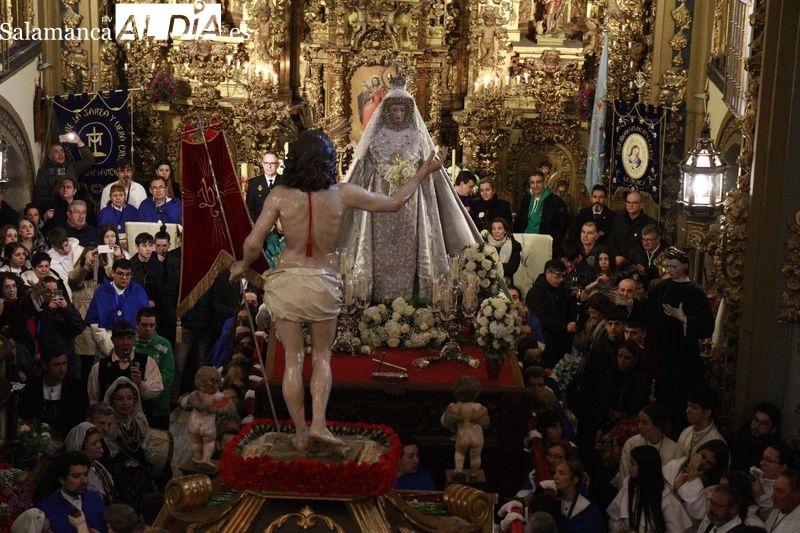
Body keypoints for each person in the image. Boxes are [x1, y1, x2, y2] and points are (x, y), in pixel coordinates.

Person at [230, 126, 449, 449]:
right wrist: (425, 169)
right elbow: (393, 202)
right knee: (321, 356)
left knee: (292, 359)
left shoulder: (279, 196)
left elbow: (252, 242)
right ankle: (319, 423)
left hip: (288, 282)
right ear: (328, 161)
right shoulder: (342, 194)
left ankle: (300, 432)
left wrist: (242, 266)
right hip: (322, 282)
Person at [336, 75, 479, 302]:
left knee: (412, 248)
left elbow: (429, 169)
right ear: (387, 111)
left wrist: (429, 168)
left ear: (408, 112)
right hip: (379, 199)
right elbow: (363, 170)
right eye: (395, 110)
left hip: (412, 201)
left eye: (403, 111)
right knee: (377, 249)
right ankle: (373, 295)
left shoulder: (417, 137)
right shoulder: (375, 137)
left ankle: (413, 294)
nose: (399, 115)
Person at [645, 247, 714, 431]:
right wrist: (631, 304)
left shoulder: (695, 291)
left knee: (679, 399)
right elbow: (648, 306)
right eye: (668, 266)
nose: (670, 270)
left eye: (674, 266)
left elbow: (707, 325)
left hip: (683, 357)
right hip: (662, 352)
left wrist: (683, 319)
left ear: (684, 265)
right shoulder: (664, 286)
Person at [607, 445, 692, 533]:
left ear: (645, 468)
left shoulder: (666, 499)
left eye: (633, 464)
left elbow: (679, 530)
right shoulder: (628, 486)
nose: (628, 466)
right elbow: (614, 518)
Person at [103, 377, 156, 508]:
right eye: (120, 399)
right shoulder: (110, 424)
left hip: (141, 470)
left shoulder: (140, 420)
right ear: (113, 401)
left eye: (129, 398)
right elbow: (111, 452)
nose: (125, 403)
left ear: (135, 400)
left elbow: (147, 447)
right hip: (118, 473)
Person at [18, 344, 88, 440]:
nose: (62, 369)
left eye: (64, 363)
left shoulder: (76, 388)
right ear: (44, 366)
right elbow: (26, 416)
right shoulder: (31, 387)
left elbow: (80, 418)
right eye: (56, 364)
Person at [87, 320, 164, 405]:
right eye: (120, 339)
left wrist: (140, 383)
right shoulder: (99, 367)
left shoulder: (147, 362)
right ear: (113, 340)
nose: (125, 343)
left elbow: (157, 390)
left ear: (134, 339)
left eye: (129, 338)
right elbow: (93, 399)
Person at [84, 259, 150, 356]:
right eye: (120, 273)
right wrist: (111, 349)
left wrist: (132, 346)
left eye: (128, 274)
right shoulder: (102, 292)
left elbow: (145, 322)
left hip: (133, 343)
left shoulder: (138, 292)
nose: (124, 277)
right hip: (106, 342)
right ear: (113, 273)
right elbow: (95, 324)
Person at [179, 366, 237, 472]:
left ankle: (197, 458)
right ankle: (206, 459)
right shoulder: (219, 397)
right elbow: (230, 410)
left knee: (195, 441)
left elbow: (183, 403)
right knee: (209, 442)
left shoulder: (195, 394)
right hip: (208, 424)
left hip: (194, 422)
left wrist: (185, 401)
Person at [37, 451, 108, 533]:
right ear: (62, 480)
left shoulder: (96, 498)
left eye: (85, 474)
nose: (84, 481)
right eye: (77, 476)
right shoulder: (47, 508)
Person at [525, 260, 577, 368]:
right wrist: (564, 327)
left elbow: (569, 311)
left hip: (563, 341)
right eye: (558, 276)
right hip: (545, 341)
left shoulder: (563, 290)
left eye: (563, 276)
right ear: (548, 272)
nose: (561, 279)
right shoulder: (535, 293)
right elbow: (541, 319)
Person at [663, 439, 729, 520]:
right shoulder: (678, 463)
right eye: (703, 456)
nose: (702, 462)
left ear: (714, 468)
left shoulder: (713, 488)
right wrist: (673, 488)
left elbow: (697, 513)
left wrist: (694, 483)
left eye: (708, 463)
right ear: (699, 451)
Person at [617, 404, 678, 486]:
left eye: (644, 423)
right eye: (639, 421)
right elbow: (624, 479)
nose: (639, 426)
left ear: (658, 425)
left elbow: (671, 483)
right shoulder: (632, 443)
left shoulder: (673, 449)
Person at [133, 308, 173, 430]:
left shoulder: (164, 345)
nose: (148, 329)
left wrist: (151, 388)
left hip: (158, 405)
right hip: (134, 405)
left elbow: (168, 375)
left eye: (152, 325)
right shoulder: (130, 345)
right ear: (137, 325)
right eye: (144, 325)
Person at [440, 375, 490, 473]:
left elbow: (446, 421)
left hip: (462, 436)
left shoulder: (455, 408)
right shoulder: (480, 409)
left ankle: (458, 469)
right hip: (476, 437)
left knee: (459, 453)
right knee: (476, 457)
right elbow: (486, 424)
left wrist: (454, 426)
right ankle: (473, 473)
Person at [514, 171, 569, 257]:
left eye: (538, 182)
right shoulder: (526, 199)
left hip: (544, 243)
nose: (535, 186)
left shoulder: (556, 201)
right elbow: (519, 221)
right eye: (532, 182)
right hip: (524, 240)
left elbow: (563, 226)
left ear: (544, 183)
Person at [34, 136, 95, 207]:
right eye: (56, 151)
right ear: (50, 156)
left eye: (61, 150)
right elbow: (41, 195)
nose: (60, 154)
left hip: (75, 205)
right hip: (56, 207)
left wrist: (79, 143)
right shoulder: (44, 172)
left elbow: (90, 160)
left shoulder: (71, 166)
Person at [64, 422, 116, 504]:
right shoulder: (78, 474)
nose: (99, 445)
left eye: (99, 441)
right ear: (81, 449)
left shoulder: (98, 465)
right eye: (93, 444)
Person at [553, 460, 606, 532]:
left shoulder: (590, 512)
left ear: (574, 480)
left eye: (561, 473)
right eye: (555, 472)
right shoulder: (554, 504)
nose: (555, 476)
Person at [608, 191, 656, 268]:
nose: (631, 205)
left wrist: (626, 259)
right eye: (628, 202)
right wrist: (616, 255)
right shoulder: (617, 220)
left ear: (641, 205)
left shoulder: (649, 223)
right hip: (616, 261)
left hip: (637, 265)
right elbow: (611, 240)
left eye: (634, 203)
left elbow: (647, 247)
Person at [731, 401, 784, 472]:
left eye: (763, 423)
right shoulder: (739, 440)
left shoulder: (776, 451)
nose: (757, 426)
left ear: (773, 429)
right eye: (756, 420)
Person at [675, 386, 726, 458]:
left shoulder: (716, 443)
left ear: (707, 413)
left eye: (694, 407)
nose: (687, 411)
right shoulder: (686, 432)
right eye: (688, 406)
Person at [245, 151, 281, 222]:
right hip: (260, 227)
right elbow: (249, 208)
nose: (269, 166)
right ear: (262, 164)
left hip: (281, 228)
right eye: (266, 163)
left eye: (272, 163)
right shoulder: (253, 183)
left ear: (278, 164)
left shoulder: (286, 182)